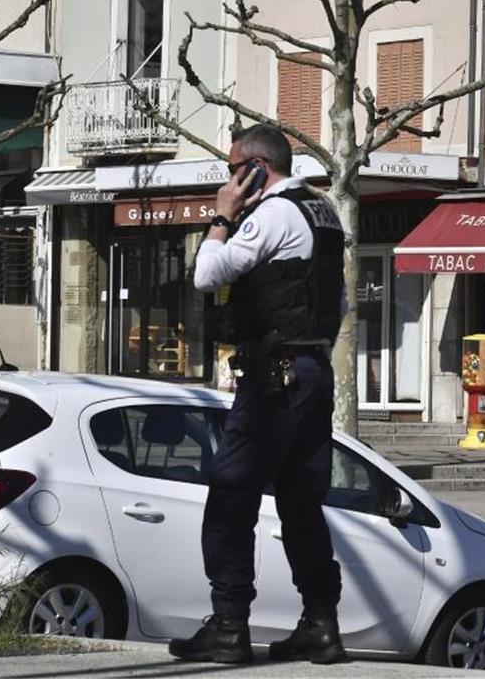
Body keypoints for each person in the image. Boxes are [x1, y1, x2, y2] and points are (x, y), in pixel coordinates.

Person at [168, 125, 347, 665]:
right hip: (312, 372)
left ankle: (228, 627)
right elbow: (336, 304)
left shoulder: (270, 213)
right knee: (300, 503)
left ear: (254, 168)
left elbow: (207, 272)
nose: (227, 179)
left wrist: (223, 214)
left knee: (231, 494)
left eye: (231, 169)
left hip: (276, 376)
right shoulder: (324, 213)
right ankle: (320, 625)